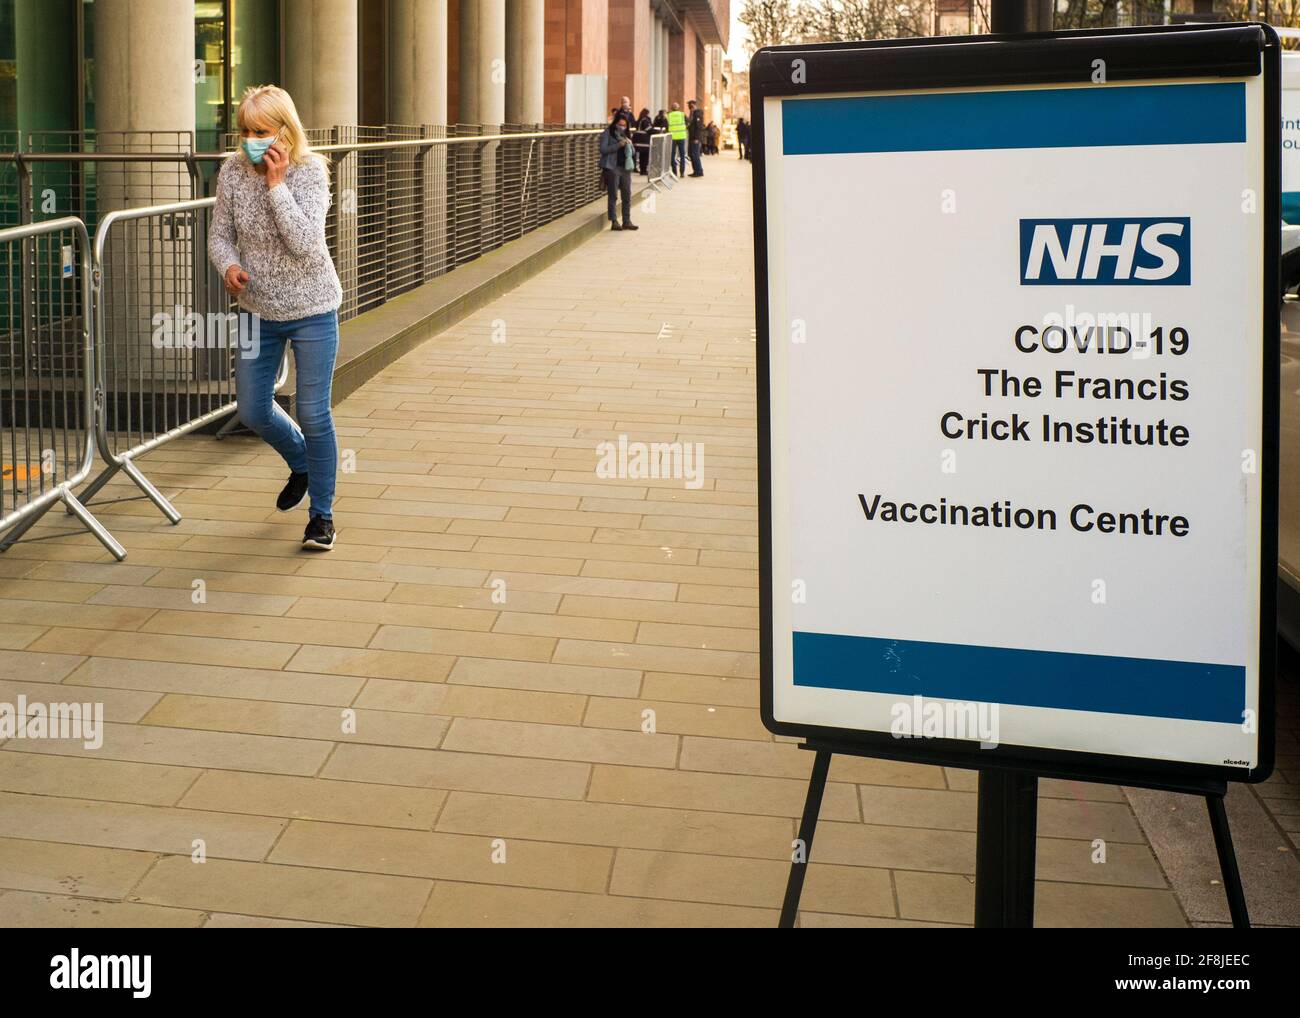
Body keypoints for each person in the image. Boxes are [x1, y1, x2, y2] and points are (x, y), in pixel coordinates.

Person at [208, 84, 342, 551]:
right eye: (245, 129)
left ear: (284, 131)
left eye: (260, 130)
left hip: (312, 309)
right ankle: (303, 462)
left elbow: (304, 242)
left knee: (313, 412)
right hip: (256, 311)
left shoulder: (311, 172)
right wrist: (229, 267)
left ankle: (321, 516)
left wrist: (277, 185)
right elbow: (220, 236)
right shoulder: (230, 171)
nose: (250, 139)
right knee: (251, 409)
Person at [599, 112, 638, 232]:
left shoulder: (626, 134)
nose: (622, 127)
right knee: (613, 195)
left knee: (627, 194)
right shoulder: (607, 133)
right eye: (620, 125)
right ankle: (614, 221)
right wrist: (617, 145)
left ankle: (627, 221)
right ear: (615, 123)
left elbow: (632, 153)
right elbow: (603, 149)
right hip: (612, 167)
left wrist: (630, 146)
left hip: (625, 168)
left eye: (624, 125)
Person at [666, 102, 687, 178]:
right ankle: (682, 173)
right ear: (678, 108)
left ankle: (674, 172)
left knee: (672, 155)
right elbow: (687, 123)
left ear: (671, 108)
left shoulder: (669, 115)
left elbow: (666, 126)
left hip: (672, 138)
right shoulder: (682, 115)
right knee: (682, 155)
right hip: (681, 137)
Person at [687, 99, 705, 177]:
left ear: (693, 106)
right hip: (692, 137)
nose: (689, 108)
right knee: (692, 154)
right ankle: (696, 170)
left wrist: (697, 138)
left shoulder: (697, 114)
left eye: (690, 106)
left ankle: (699, 171)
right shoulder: (693, 114)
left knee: (695, 155)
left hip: (695, 138)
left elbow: (698, 127)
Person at [634, 107, 652, 176]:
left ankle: (642, 170)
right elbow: (648, 129)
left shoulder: (639, 119)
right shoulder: (645, 120)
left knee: (641, 156)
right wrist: (657, 132)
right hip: (644, 140)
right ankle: (644, 170)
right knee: (645, 156)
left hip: (638, 140)